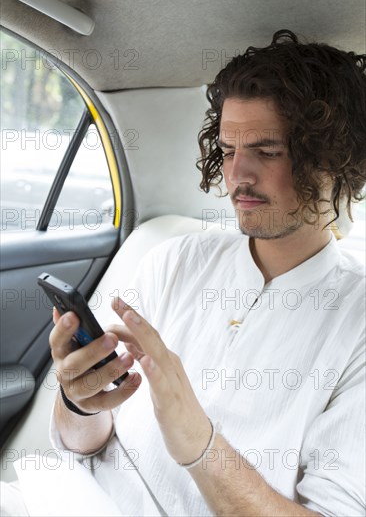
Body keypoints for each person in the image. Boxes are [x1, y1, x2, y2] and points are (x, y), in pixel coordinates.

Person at [2, 29, 366, 516]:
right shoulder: (176, 261)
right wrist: (80, 401)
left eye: (268, 150)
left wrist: (199, 443)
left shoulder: (356, 324)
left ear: (335, 159)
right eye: (230, 150)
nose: (237, 175)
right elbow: (80, 445)